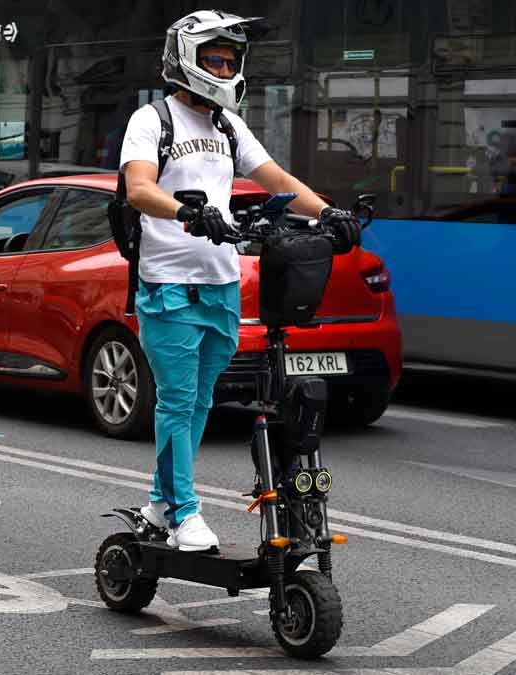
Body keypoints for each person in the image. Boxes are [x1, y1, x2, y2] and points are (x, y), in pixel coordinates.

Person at [119, 9, 362, 551]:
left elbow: (272, 176)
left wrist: (326, 213)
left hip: (221, 283)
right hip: (168, 283)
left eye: (231, 60)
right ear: (186, 59)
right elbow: (138, 188)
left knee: (200, 401)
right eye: (215, 59)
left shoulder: (228, 125)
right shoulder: (152, 121)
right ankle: (185, 513)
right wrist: (187, 214)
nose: (226, 68)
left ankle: (160, 501)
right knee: (178, 401)